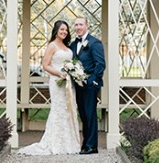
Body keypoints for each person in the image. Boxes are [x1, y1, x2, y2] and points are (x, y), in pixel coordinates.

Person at [18, 20, 81, 155]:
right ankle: (55, 143)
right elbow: (45, 65)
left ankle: (68, 143)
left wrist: (72, 72)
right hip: (57, 82)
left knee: (68, 109)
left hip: (68, 83)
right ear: (56, 31)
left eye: (66, 30)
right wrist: (59, 73)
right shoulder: (52, 46)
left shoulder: (66, 46)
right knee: (59, 109)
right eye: (62, 29)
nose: (64, 32)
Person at [71, 17, 105, 155]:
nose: (78, 27)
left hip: (90, 85)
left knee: (90, 114)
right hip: (77, 85)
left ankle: (92, 146)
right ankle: (86, 143)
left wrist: (92, 80)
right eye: (76, 25)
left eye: (80, 24)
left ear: (87, 26)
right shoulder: (73, 45)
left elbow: (100, 64)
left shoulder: (94, 43)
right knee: (83, 115)